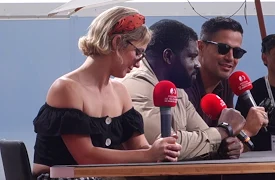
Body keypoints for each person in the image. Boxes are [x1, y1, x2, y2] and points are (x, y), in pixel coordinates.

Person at [32, 6, 181, 180]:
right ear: (117, 42)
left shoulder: (120, 92)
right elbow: (86, 157)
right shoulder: (65, 88)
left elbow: (139, 149)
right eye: (138, 52)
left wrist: (161, 150)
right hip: (57, 176)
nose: (139, 63)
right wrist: (148, 155)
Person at [117, 19, 268, 160]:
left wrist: (225, 146)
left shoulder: (178, 87)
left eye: (237, 52)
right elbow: (168, 146)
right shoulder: (136, 84)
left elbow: (207, 136)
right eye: (192, 57)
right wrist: (224, 130)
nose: (197, 64)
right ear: (168, 56)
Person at [184, 16, 268, 139]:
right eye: (223, 49)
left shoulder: (227, 84)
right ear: (200, 47)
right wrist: (247, 131)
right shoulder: (185, 83)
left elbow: (228, 140)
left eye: (237, 52)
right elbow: (193, 144)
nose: (230, 58)